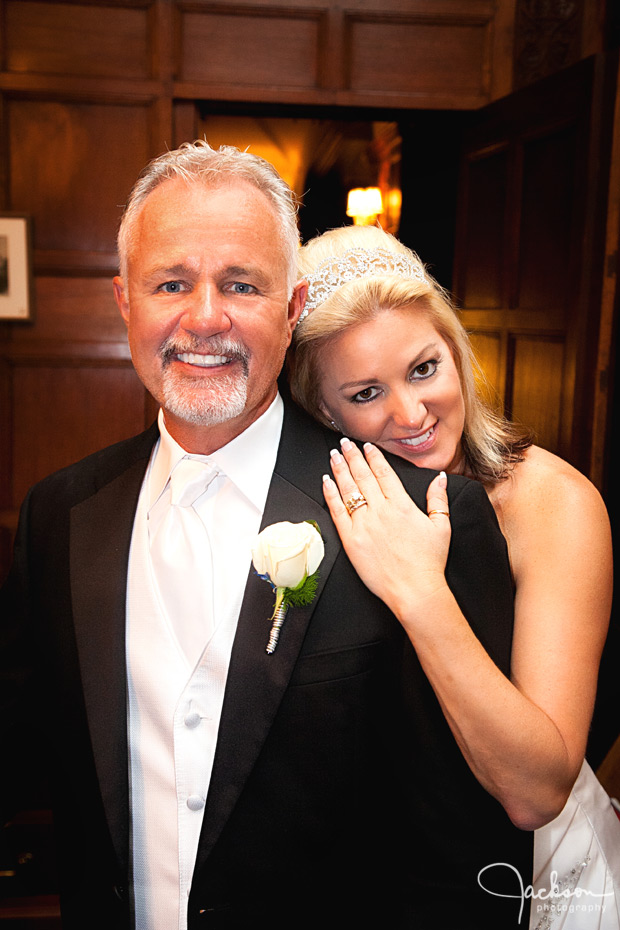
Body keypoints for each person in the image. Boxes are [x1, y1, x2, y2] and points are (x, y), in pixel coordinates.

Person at [0, 140, 531, 930]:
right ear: (125, 303)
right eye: (171, 283)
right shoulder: (60, 514)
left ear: (290, 308)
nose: (205, 318)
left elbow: (471, 847)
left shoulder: (419, 513)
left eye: (241, 284)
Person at [288, 222, 620, 929]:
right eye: (366, 392)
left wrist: (419, 590)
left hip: (530, 880)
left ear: (456, 351)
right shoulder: (308, 507)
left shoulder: (553, 505)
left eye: (423, 369)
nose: (411, 414)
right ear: (322, 408)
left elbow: (536, 792)